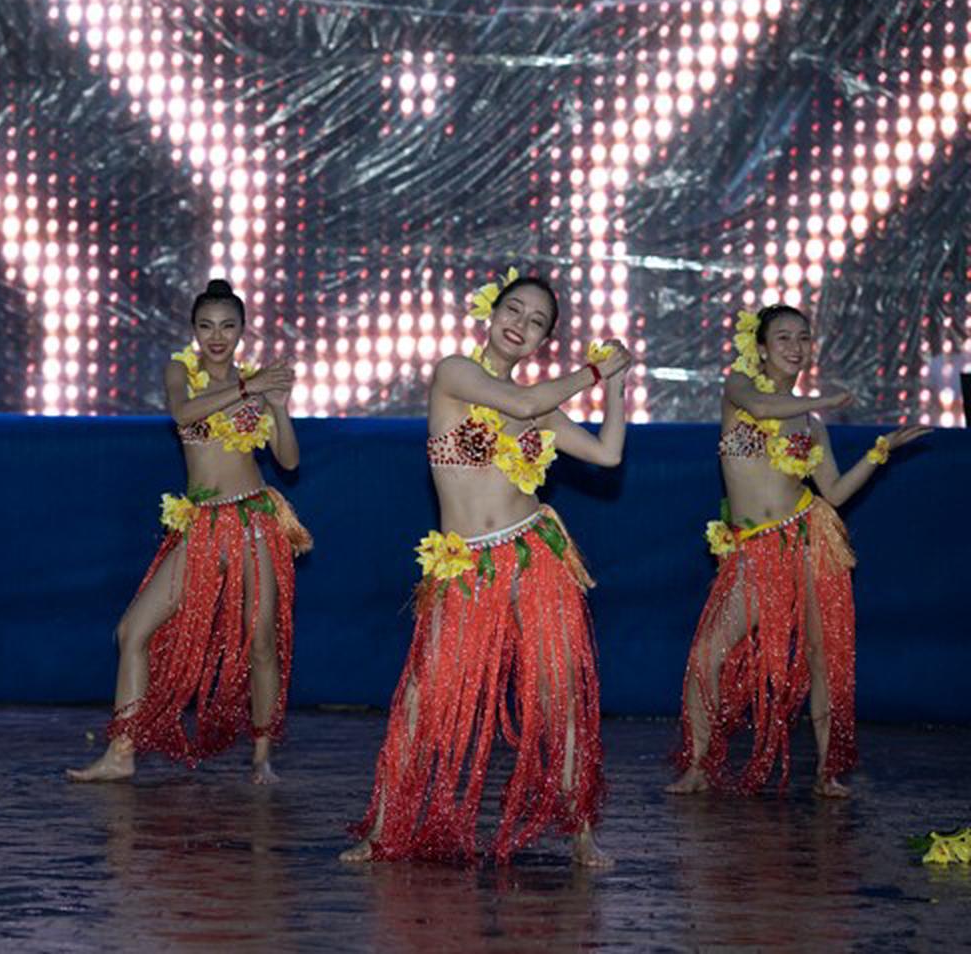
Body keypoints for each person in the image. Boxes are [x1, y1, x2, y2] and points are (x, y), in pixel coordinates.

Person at [342, 270, 632, 866]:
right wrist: (595, 371)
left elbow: (607, 454)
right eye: (514, 310)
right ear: (491, 312)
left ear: (542, 341)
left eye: (537, 322)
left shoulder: (540, 409)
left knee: (559, 695)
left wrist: (617, 387)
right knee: (424, 696)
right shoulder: (456, 374)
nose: (521, 324)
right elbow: (522, 402)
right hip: (466, 565)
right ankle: (382, 828)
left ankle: (582, 832)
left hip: (535, 556)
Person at [667, 305, 928, 797]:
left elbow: (835, 492)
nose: (795, 346)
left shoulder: (811, 425)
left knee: (821, 654)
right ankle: (698, 765)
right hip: (753, 550)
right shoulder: (739, 388)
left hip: (809, 538)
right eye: (783, 337)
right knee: (706, 653)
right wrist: (826, 397)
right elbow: (764, 408)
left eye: (803, 337)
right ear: (762, 348)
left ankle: (828, 772)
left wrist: (879, 452)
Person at [67, 279, 312, 785]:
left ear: (242, 330)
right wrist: (249, 387)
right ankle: (121, 753)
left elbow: (288, 461)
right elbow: (183, 412)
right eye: (206, 326)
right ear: (194, 331)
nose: (217, 336)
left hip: (251, 522)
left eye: (227, 326)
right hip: (200, 525)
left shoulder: (256, 384)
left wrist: (278, 406)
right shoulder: (181, 372)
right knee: (132, 631)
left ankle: (262, 757)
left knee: (261, 641)